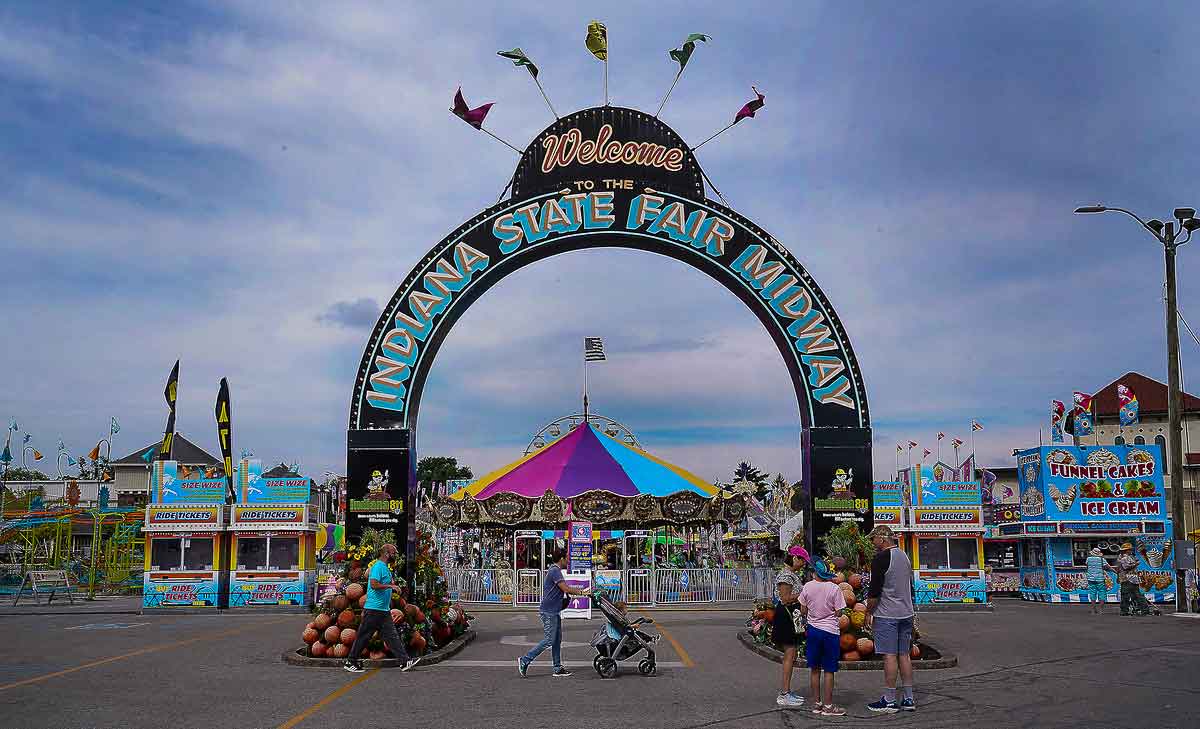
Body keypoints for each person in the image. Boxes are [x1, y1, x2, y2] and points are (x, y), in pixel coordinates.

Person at [864, 525, 916, 713]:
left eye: (873, 539)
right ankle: (909, 699)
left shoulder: (880, 559)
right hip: (906, 613)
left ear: (882, 538)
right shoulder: (904, 556)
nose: (872, 542)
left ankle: (890, 700)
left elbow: (874, 592)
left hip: (887, 614)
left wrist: (868, 612)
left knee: (890, 656)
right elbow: (909, 586)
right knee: (904, 655)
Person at [344, 544, 419, 673]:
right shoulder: (378, 566)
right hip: (374, 608)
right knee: (364, 636)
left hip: (382, 609)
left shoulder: (384, 567)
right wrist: (390, 587)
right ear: (386, 553)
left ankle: (404, 661)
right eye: (393, 553)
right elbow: (373, 584)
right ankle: (351, 661)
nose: (395, 555)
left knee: (391, 636)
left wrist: (393, 587)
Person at [518, 548, 590, 677]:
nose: (569, 560)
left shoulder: (555, 570)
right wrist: (583, 592)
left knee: (556, 640)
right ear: (561, 558)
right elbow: (565, 588)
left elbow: (564, 590)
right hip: (549, 611)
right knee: (549, 639)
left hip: (554, 610)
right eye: (567, 557)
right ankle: (525, 659)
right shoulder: (554, 571)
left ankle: (557, 667)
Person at [798, 558, 847, 717]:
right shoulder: (834, 588)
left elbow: (803, 610)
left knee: (814, 669)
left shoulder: (807, 587)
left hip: (813, 631)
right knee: (829, 670)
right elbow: (839, 612)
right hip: (830, 632)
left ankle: (817, 704)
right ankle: (828, 706)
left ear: (814, 573)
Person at [772, 549, 808, 708]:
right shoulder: (785, 575)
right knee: (790, 653)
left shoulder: (790, 574)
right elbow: (785, 598)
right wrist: (805, 593)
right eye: (802, 561)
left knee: (791, 654)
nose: (803, 565)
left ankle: (787, 691)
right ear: (795, 558)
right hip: (786, 616)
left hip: (791, 616)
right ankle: (784, 693)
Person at [1115, 542, 1155, 616]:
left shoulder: (1127, 557)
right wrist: (1135, 564)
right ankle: (1144, 610)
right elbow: (1125, 567)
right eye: (1129, 549)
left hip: (1128, 579)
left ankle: (1125, 611)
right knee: (1136, 595)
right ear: (1127, 550)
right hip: (1129, 579)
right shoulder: (1125, 558)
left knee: (1127, 596)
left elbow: (1122, 568)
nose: (1131, 551)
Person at [1085, 547, 1114, 615]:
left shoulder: (1088, 559)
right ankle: (1101, 610)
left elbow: (1087, 567)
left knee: (1092, 593)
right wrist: (1115, 571)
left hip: (1090, 579)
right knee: (1102, 593)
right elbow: (1108, 567)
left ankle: (1093, 609)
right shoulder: (1101, 559)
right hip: (1100, 579)